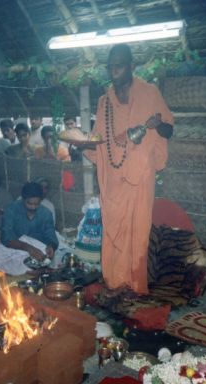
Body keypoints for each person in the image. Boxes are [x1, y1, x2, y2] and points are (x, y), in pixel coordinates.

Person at [84, 44, 173, 294]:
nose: (114, 71)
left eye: (119, 65)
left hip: (141, 177)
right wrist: (83, 145)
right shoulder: (104, 101)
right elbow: (99, 139)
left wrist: (157, 126)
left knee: (137, 234)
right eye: (110, 66)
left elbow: (169, 130)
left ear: (132, 66)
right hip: (112, 180)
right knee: (112, 232)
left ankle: (134, 287)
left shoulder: (150, 93)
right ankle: (113, 284)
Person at [0, 182, 59, 275]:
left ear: (41, 200)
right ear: (23, 199)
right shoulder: (11, 209)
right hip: (14, 249)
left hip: (37, 253)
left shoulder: (46, 213)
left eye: (36, 204)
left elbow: (51, 236)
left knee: (46, 252)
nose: (33, 207)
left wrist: (51, 246)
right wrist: (28, 248)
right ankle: (33, 270)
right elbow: (6, 238)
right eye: (29, 203)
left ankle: (28, 269)